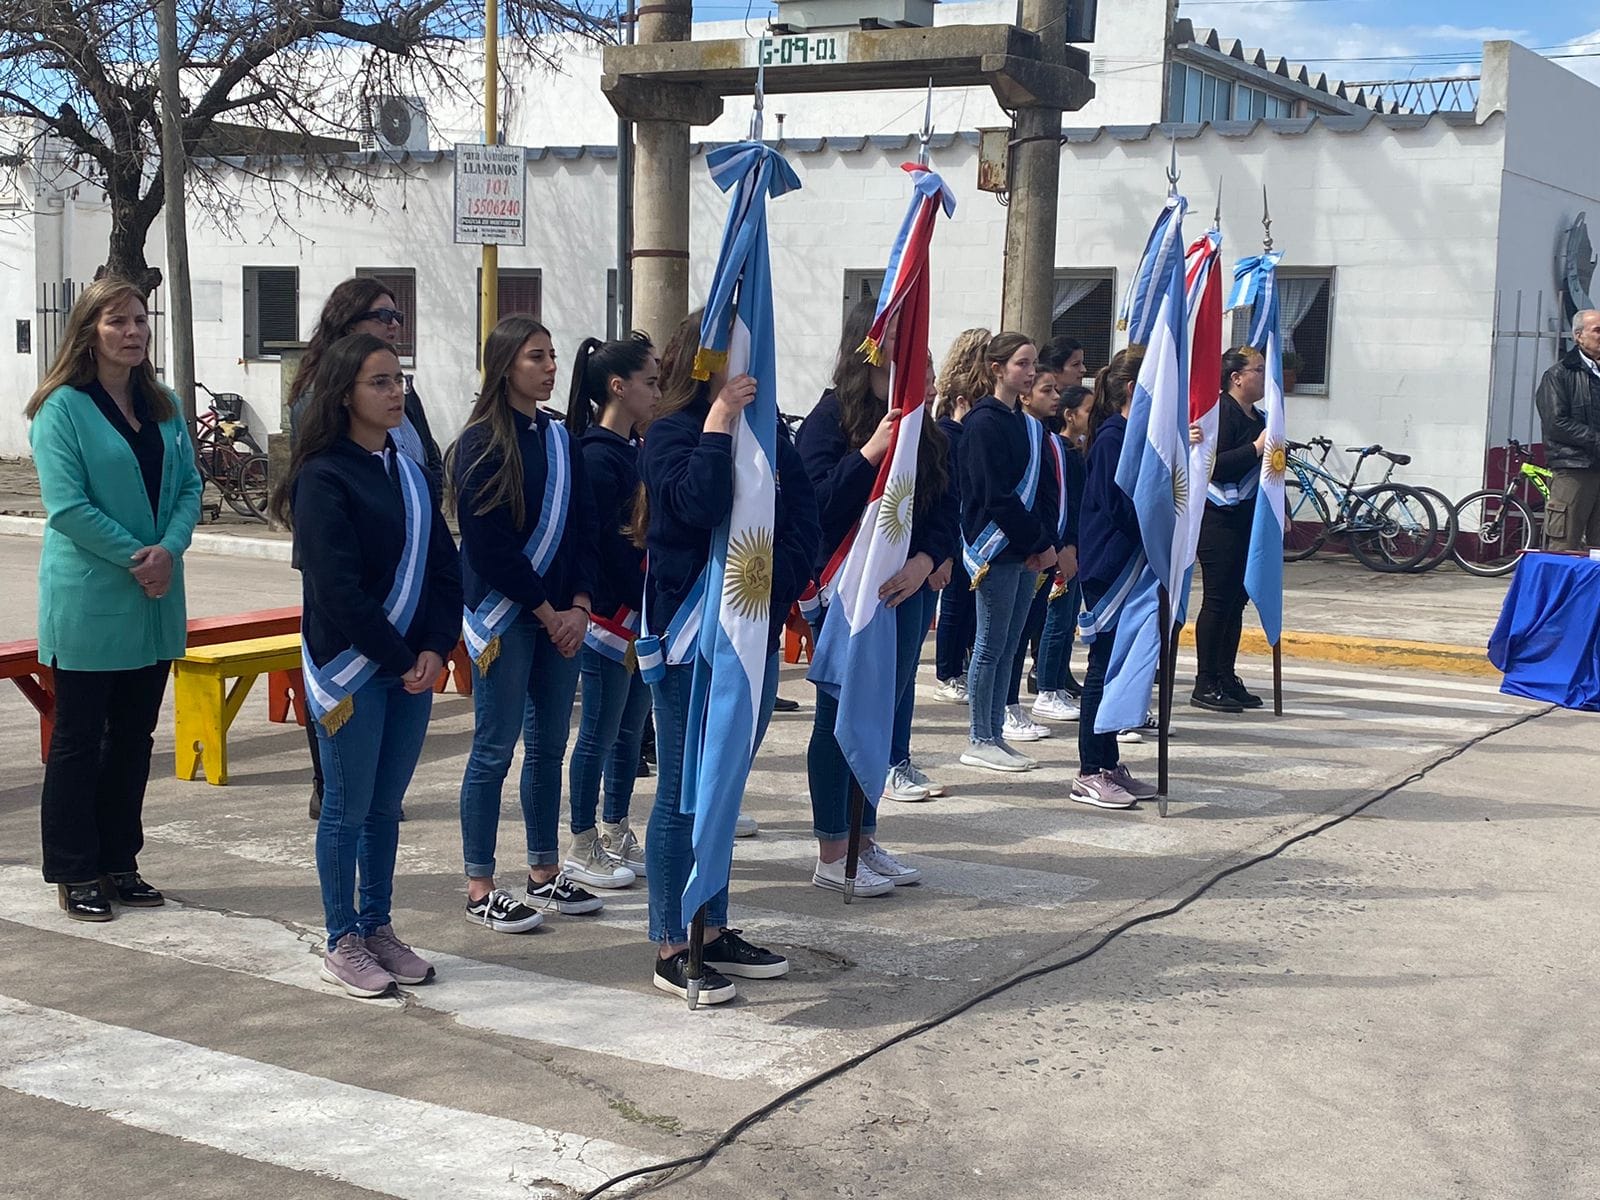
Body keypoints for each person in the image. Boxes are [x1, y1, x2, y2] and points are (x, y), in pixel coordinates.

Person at [271, 333, 462, 996]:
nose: (395, 392)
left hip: (411, 667)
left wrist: (436, 646)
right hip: (353, 666)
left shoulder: (409, 472)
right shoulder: (323, 475)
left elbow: (444, 568)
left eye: (399, 380)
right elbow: (337, 588)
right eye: (379, 382)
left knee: (386, 807)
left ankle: (378, 925)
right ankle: (342, 938)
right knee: (346, 809)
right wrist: (404, 655)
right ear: (345, 393)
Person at [637, 311, 819, 1002]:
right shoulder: (671, 432)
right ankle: (672, 939)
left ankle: (711, 925)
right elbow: (696, 504)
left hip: (750, 633)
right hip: (690, 638)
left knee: (725, 786)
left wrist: (768, 590)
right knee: (684, 790)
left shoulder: (771, 435)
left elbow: (802, 521)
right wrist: (718, 422)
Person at [27, 277, 203, 922]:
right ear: (88, 332)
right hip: (92, 598)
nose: (133, 332)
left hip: (155, 596)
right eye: (117, 322)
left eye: (139, 320)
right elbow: (67, 508)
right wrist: (140, 558)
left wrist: (169, 550)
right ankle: (75, 869)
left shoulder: (166, 405)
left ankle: (119, 861)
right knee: (80, 739)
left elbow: (190, 487)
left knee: (134, 736)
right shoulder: (61, 409)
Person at [452, 315, 608, 934]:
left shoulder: (562, 438)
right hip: (509, 615)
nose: (549, 367)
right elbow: (487, 544)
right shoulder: (480, 442)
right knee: (494, 748)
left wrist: (581, 606)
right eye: (535, 357)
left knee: (548, 747)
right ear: (504, 366)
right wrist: (547, 612)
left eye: (551, 356)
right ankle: (480, 885)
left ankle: (544, 871)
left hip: (562, 616)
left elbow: (587, 529)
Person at [795, 304, 954, 893]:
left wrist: (926, 560)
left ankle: (864, 836)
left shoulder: (922, 424)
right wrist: (869, 453)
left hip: (905, 592)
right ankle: (833, 851)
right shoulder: (830, 416)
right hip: (847, 594)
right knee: (839, 713)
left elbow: (945, 507)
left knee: (882, 713)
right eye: (896, 342)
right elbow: (814, 505)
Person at [291, 277, 445, 822]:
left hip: (409, 533)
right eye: (382, 315)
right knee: (347, 783)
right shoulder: (321, 395)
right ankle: (331, 780)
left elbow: (427, 457)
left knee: (383, 800)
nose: (394, 325)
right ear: (348, 321)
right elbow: (321, 471)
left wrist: (419, 505)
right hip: (353, 550)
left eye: (398, 316)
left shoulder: (403, 394)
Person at [565, 335, 659, 884]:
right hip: (609, 616)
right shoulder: (596, 455)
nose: (658, 392)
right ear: (618, 388)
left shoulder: (635, 448)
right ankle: (581, 841)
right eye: (650, 382)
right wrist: (642, 591)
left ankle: (616, 827)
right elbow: (605, 544)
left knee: (630, 731)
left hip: (641, 613)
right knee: (598, 732)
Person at [957, 332, 1059, 773]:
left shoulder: (1030, 424)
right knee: (989, 645)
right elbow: (993, 494)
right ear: (997, 369)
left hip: (1027, 551)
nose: (1030, 372)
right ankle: (980, 736)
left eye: (1033, 363)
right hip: (998, 548)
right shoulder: (982, 422)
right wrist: (1037, 541)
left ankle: (996, 732)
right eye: (1022, 363)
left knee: (1010, 645)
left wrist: (1045, 543)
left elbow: (1047, 489)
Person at [1071, 350, 1158, 809]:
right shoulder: (1111, 438)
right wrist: (1160, 525)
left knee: (1118, 666)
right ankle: (1089, 770)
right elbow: (1119, 506)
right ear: (1132, 390)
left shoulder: (1133, 436)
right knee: (1102, 668)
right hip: (1110, 567)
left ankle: (1109, 763)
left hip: (1130, 562)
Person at [1000, 360, 1077, 744]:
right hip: (1026, 549)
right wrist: (1045, 544)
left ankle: (1013, 702)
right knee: (1006, 639)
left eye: (1055, 390)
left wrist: (1065, 544)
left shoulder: (1049, 438)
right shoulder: (1023, 435)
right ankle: (1004, 706)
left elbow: (1059, 497)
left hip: (1049, 547)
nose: (1055, 396)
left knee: (1028, 627)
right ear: (1026, 397)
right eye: (1046, 390)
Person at [1192, 347, 1268, 712]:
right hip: (1217, 518)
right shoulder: (1220, 412)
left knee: (1238, 600)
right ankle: (1205, 680)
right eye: (1258, 370)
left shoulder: (1260, 416)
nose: (1264, 377)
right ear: (1236, 377)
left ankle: (1226, 675)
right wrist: (1255, 448)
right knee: (1218, 599)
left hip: (1247, 518)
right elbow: (1213, 466)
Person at [931, 328, 990, 704]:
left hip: (973, 509)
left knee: (969, 596)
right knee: (955, 596)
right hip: (959, 507)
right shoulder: (959, 392)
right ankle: (948, 670)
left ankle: (962, 661)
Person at [1031, 381, 1093, 723]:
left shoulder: (1080, 450)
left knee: (1068, 621)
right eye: (1088, 411)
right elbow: (1063, 503)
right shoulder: (1060, 450)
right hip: (1064, 545)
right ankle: (1046, 688)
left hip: (1079, 544)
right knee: (1056, 620)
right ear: (1070, 415)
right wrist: (1065, 545)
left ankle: (1059, 682)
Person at [1535, 309, 1600, 551]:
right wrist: (1596, 440)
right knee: (1565, 544)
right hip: (1574, 469)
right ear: (1578, 336)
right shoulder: (1559, 375)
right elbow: (1556, 423)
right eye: (1598, 330)